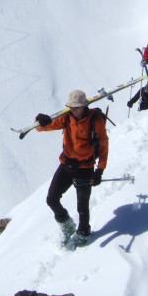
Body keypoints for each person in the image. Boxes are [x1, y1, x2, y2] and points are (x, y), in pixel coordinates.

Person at [35, 89, 109, 245]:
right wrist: (40, 121)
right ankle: (67, 225)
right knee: (52, 199)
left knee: (82, 206)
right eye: (72, 107)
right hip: (67, 164)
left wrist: (99, 171)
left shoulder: (96, 121)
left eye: (77, 107)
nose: (74, 110)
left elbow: (103, 146)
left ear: (84, 106)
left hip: (85, 167)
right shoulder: (66, 118)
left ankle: (83, 233)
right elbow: (43, 127)